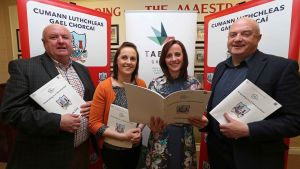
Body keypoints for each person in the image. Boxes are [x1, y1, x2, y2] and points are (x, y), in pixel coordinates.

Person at [202, 18, 300, 169]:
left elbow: (295, 121)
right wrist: (206, 123)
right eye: (233, 34)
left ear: (258, 38)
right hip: (219, 157)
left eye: (246, 34)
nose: (238, 39)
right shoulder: (220, 68)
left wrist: (248, 130)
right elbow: (218, 111)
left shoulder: (281, 68)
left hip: (256, 159)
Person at [0, 24, 95, 169]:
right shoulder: (24, 68)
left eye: (65, 37)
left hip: (81, 151)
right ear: (44, 43)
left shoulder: (83, 70)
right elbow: (11, 112)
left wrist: (93, 106)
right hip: (44, 156)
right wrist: (57, 122)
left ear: (71, 42)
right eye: (53, 37)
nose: (61, 41)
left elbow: (90, 101)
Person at [145, 39, 207, 169]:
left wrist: (201, 120)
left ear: (183, 56)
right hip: (160, 141)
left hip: (185, 141)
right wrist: (152, 125)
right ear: (164, 60)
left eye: (177, 54)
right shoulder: (154, 84)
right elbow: (148, 116)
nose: (173, 59)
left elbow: (200, 115)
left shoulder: (194, 84)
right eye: (168, 56)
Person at [89, 41, 146, 169]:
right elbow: (93, 124)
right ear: (116, 61)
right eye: (124, 57)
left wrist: (140, 129)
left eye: (133, 58)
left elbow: (144, 114)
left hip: (134, 145)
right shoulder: (103, 87)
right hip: (111, 149)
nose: (129, 61)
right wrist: (122, 136)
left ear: (136, 62)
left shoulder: (141, 84)